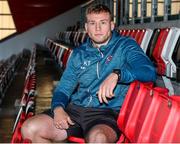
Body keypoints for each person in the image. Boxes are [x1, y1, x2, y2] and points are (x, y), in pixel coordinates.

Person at [21, 4, 156, 143]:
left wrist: (118, 74)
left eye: (103, 23)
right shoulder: (79, 53)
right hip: (75, 110)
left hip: (106, 114)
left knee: (98, 138)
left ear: (111, 25)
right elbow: (64, 88)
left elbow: (148, 71)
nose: (97, 28)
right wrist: (58, 108)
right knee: (30, 128)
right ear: (86, 27)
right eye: (93, 23)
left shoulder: (125, 46)